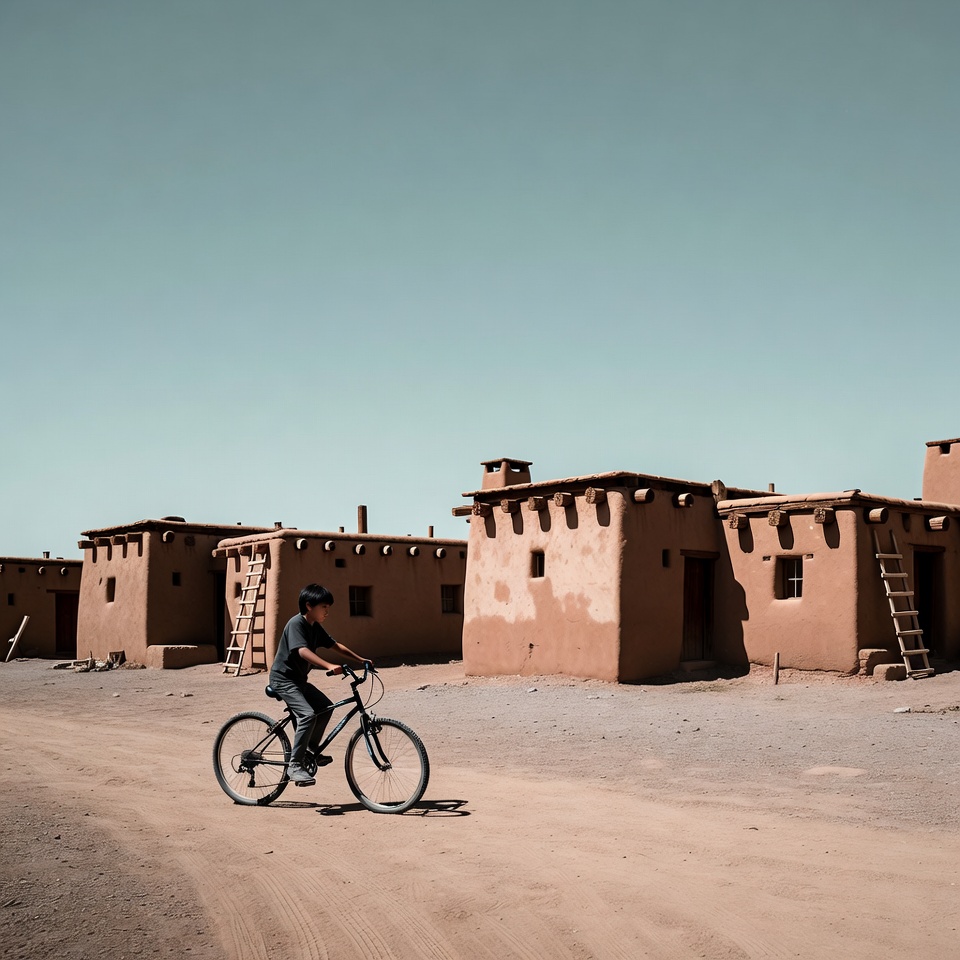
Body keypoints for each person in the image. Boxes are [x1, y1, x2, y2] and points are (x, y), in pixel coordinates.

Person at [268, 583, 372, 786]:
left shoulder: (315, 627)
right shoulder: (296, 624)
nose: (327, 611)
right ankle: (295, 765)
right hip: (283, 680)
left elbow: (335, 645)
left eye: (328, 607)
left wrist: (361, 659)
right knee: (307, 715)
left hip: (299, 681)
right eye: (324, 607)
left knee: (325, 708)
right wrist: (328, 665)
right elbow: (302, 651)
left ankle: (309, 751)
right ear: (309, 606)